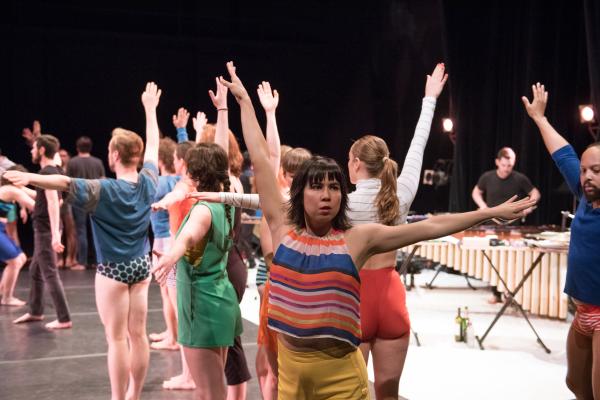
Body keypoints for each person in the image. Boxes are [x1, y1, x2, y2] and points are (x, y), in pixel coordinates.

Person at [220, 61, 536, 399]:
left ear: (346, 189)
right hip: (299, 374)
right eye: (317, 187)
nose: (326, 195)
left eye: (334, 187)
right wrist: (244, 103)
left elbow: (431, 226)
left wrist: (488, 212)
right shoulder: (284, 224)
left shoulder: (357, 238)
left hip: (341, 372)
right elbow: (261, 159)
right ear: (299, 193)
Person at [6, 82, 160, 400]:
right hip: (142, 267)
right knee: (139, 335)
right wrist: (150, 110)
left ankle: (119, 398)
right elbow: (155, 148)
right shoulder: (148, 182)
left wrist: (31, 178)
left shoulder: (101, 189)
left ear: (114, 154)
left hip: (113, 271)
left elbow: (62, 181)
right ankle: (134, 394)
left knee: (117, 340)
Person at [347, 63, 447, 399]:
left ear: (355, 163)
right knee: (389, 395)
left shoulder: (341, 205)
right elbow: (418, 146)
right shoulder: (400, 196)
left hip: (354, 302)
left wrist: (222, 195)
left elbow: (279, 203)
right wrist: (429, 99)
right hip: (391, 300)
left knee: (351, 394)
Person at [522, 83, 600, 400]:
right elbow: (562, 153)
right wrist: (539, 118)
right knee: (576, 385)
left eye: (596, 170)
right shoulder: (582, 194)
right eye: (584, 171)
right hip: (581, 312)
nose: (587, 176)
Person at [152, 143, 243, 400]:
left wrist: (171, 256)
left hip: (202, 306)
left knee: (209, 393)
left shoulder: (203, 210)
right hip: (219, 299)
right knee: (214, 389)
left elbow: (189, 237)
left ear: (197, 174)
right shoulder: (224, 202)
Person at [11, 134, 72, 330]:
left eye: (34, 147)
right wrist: (21, 188)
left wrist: (55, 233)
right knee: (35, 270)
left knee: (49, 273)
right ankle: (36, 311)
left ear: (42, 150)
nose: (31, 150)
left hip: (45, 230)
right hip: (45, 228)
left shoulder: (47, 172)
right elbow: (45, 198)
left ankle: (64, 318)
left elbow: (54, 202)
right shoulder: (53, 170)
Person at [472, 146, 541, 303]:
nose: (506, 169)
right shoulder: (487, 177)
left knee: (512, 261)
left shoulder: (519, 178)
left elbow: (536, 193)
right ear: (497, 162)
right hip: (490, 226)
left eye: (509, 166)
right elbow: (476, 192)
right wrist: (483, 206)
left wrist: (528, 207)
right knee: (494, 260)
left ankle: (511, 292)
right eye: (503, 165)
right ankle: (496, 293)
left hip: (513, 227)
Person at [149, 136, 180, 351]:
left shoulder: (159, 183)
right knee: (169, 290)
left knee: (168, 291)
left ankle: (174, 338)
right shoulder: (178, 180)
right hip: (169, 237)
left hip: (163, 240)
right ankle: (171, 332)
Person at [67, 136, 106, 269]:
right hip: (95, 199)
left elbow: (68, 182)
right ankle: (98, 261)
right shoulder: (98, 162)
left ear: (78, 148)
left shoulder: (72, 162)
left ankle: (82, 262)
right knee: (97, 230)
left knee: (81, 231)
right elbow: (103, 180)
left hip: (78, 200)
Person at [0, 165, 35, 306]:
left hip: (1, 228)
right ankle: (7, 298)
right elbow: (34, 205)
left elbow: (35, 194)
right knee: (14, 261)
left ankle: (2, 291)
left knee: (21, 257)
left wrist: (57, 192)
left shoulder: (14, 189)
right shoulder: (11, 190)